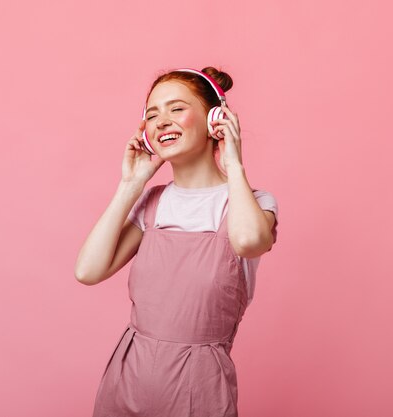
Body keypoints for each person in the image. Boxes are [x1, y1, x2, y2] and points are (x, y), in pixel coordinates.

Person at [74, 66, 279, 417]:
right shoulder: (152, 203)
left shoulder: (253, 203)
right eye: (152, 114)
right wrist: (130, 185)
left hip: (197, 394)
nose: (162, 121)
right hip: (126, 383)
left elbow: (248, 242)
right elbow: (88, 271)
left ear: (216, 120)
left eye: (176, 108)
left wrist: (234, 163)